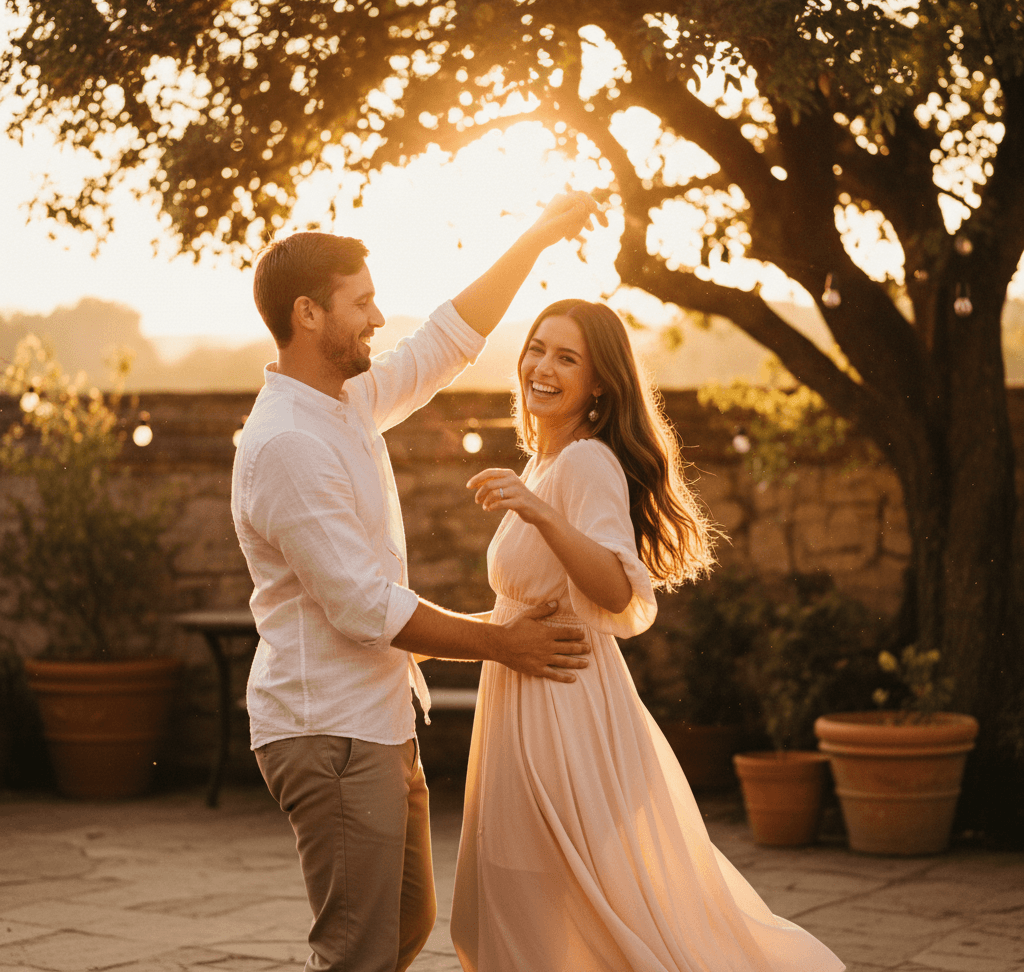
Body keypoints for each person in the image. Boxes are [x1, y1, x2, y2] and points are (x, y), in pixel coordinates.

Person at [230, 193, 605, 972]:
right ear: (308, 314)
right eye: (360, 301)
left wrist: (533, 238)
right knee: (358, 952)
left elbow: (447, 339)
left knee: (405, 924)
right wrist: (506, 644)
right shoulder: (288, 443)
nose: (376, 315)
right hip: (327, 730)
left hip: (378, 718)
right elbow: (365, 606)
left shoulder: (346, 400)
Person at [450, 299, 846, 972]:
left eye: (566, 357)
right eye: (537, 348)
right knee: (526, 896)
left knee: (541, 895)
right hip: (520, 700)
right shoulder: (547, 464)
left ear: (600, 382)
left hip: (561, 709)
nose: (542, 366)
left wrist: (540, 513)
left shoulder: (584, 465)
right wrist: (418, 633)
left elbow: (616, 588)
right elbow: (524, 608)